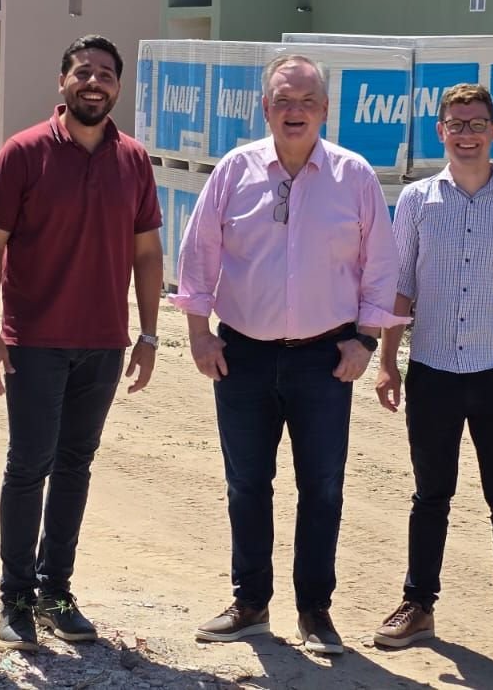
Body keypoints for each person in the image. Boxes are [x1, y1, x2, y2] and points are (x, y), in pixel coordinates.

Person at [170, 53, 405, 657]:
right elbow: (199, 253)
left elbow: (381, 266)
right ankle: (250, 602)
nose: (293, 111)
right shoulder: (235, 170)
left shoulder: (354, 177)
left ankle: (315, 610)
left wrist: (367, 341)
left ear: (325, 109)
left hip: (326, 359)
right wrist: (199, 333)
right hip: (243, 355)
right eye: (282, 100)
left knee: (322, 487)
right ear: (265, 107)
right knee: (247, 483)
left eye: (305, 101)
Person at [0, 35, 164, 650]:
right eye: (83, 72)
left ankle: (57, 590)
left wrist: (149, 334)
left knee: (76, 466)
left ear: (118, 86)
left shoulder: (133, 159)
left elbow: (147, 252)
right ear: (62, 81)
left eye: (106, 74)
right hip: (34, 340)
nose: (94, 83)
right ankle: (16, 597)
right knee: (29, 466)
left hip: (104, 344)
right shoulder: (24, 152)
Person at [370, 83, 493, 664]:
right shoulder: (418, 201)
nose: (466, 133)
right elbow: (399, 284)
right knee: (431, 496)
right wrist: (386, 361)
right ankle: (418, 605)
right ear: (441, 133)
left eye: (476, 123)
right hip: (432, 373)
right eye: (456, 124)